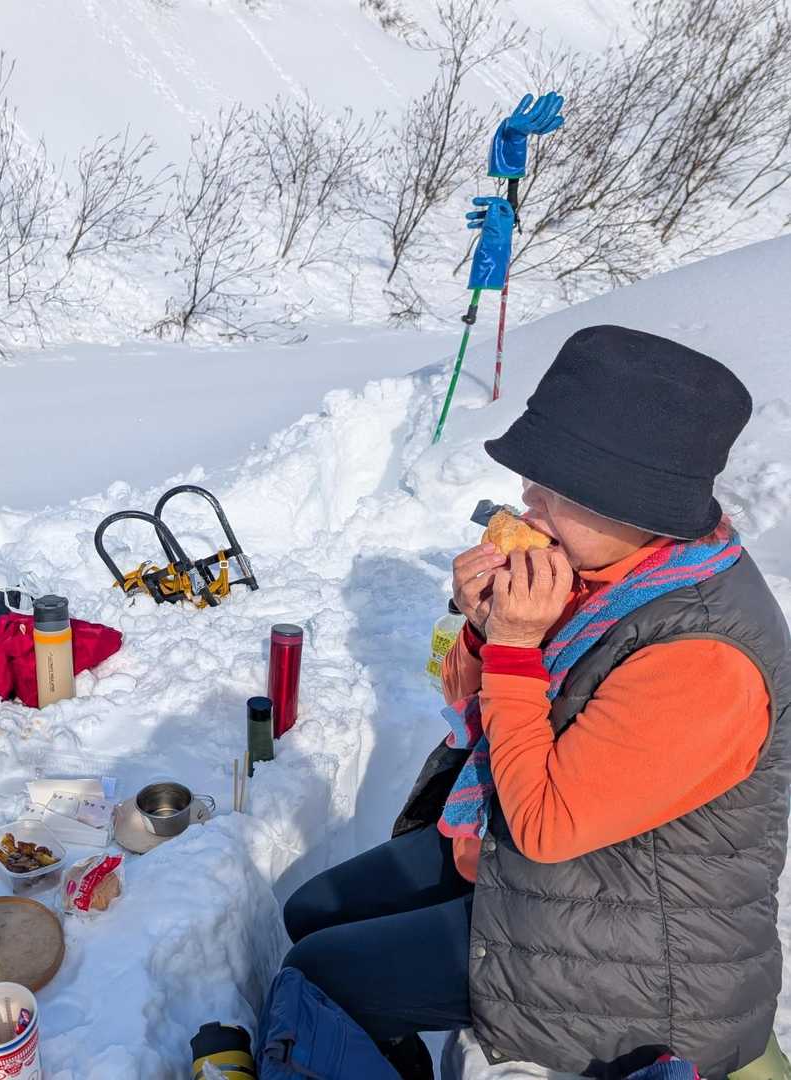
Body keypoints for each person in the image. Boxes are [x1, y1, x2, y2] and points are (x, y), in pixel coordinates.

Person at [280, 326, 790, 1080]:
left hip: (636, 955)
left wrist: (517, 648)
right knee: (310, 913)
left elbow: (547, 826)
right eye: (532, 476)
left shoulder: (706, 656)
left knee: (320, 977)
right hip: (555, 874)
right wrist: (487, 630)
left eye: (556, 487)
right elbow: (475, 713)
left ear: (634, 503)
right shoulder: (609, 572)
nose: (526, 499)